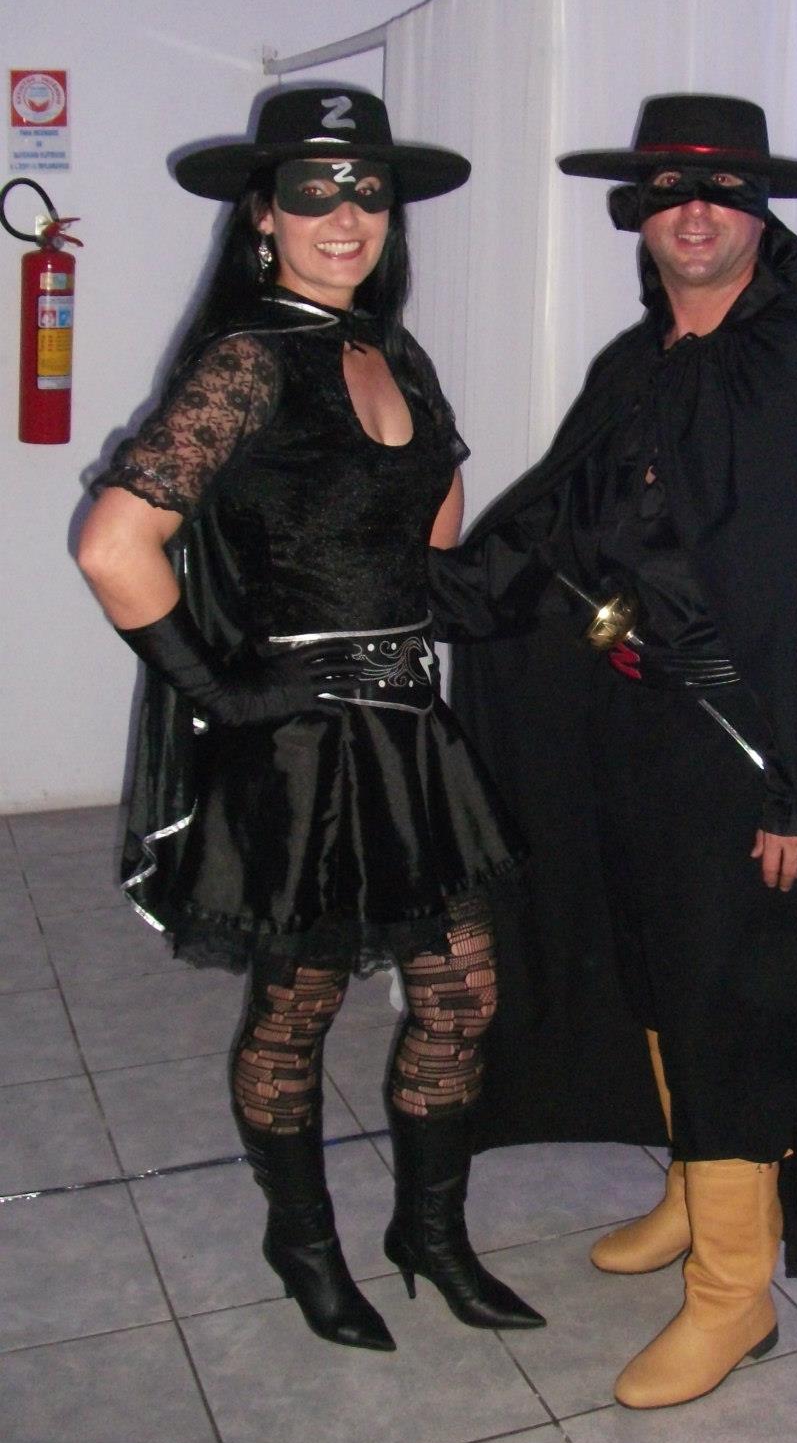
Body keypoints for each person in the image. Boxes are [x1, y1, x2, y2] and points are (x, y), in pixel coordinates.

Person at [429, 93, 797, 1409]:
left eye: (720, 189)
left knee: (728, 999)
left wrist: (792, 787)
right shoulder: (639, 362)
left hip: (747, 749)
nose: (694, 212)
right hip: (636, 726)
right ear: (639, 214)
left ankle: (732, 1292)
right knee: (659, 965)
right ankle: (692, 1190)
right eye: (669, 190)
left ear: (758, 212)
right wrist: (414, 591)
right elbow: (549, 524)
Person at [77, 84, 543, 1353]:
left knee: (461, 995)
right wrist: (225, 692)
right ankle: (304, 1240)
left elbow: (432, 516)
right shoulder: (245, 362)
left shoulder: (393, 352)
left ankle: (429, 1232)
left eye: (368, 192)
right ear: (262, 216)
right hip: (298, 746)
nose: (345, 216)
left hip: (405, 724)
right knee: (301, 1005)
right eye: (313, 191)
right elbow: (116, 543)